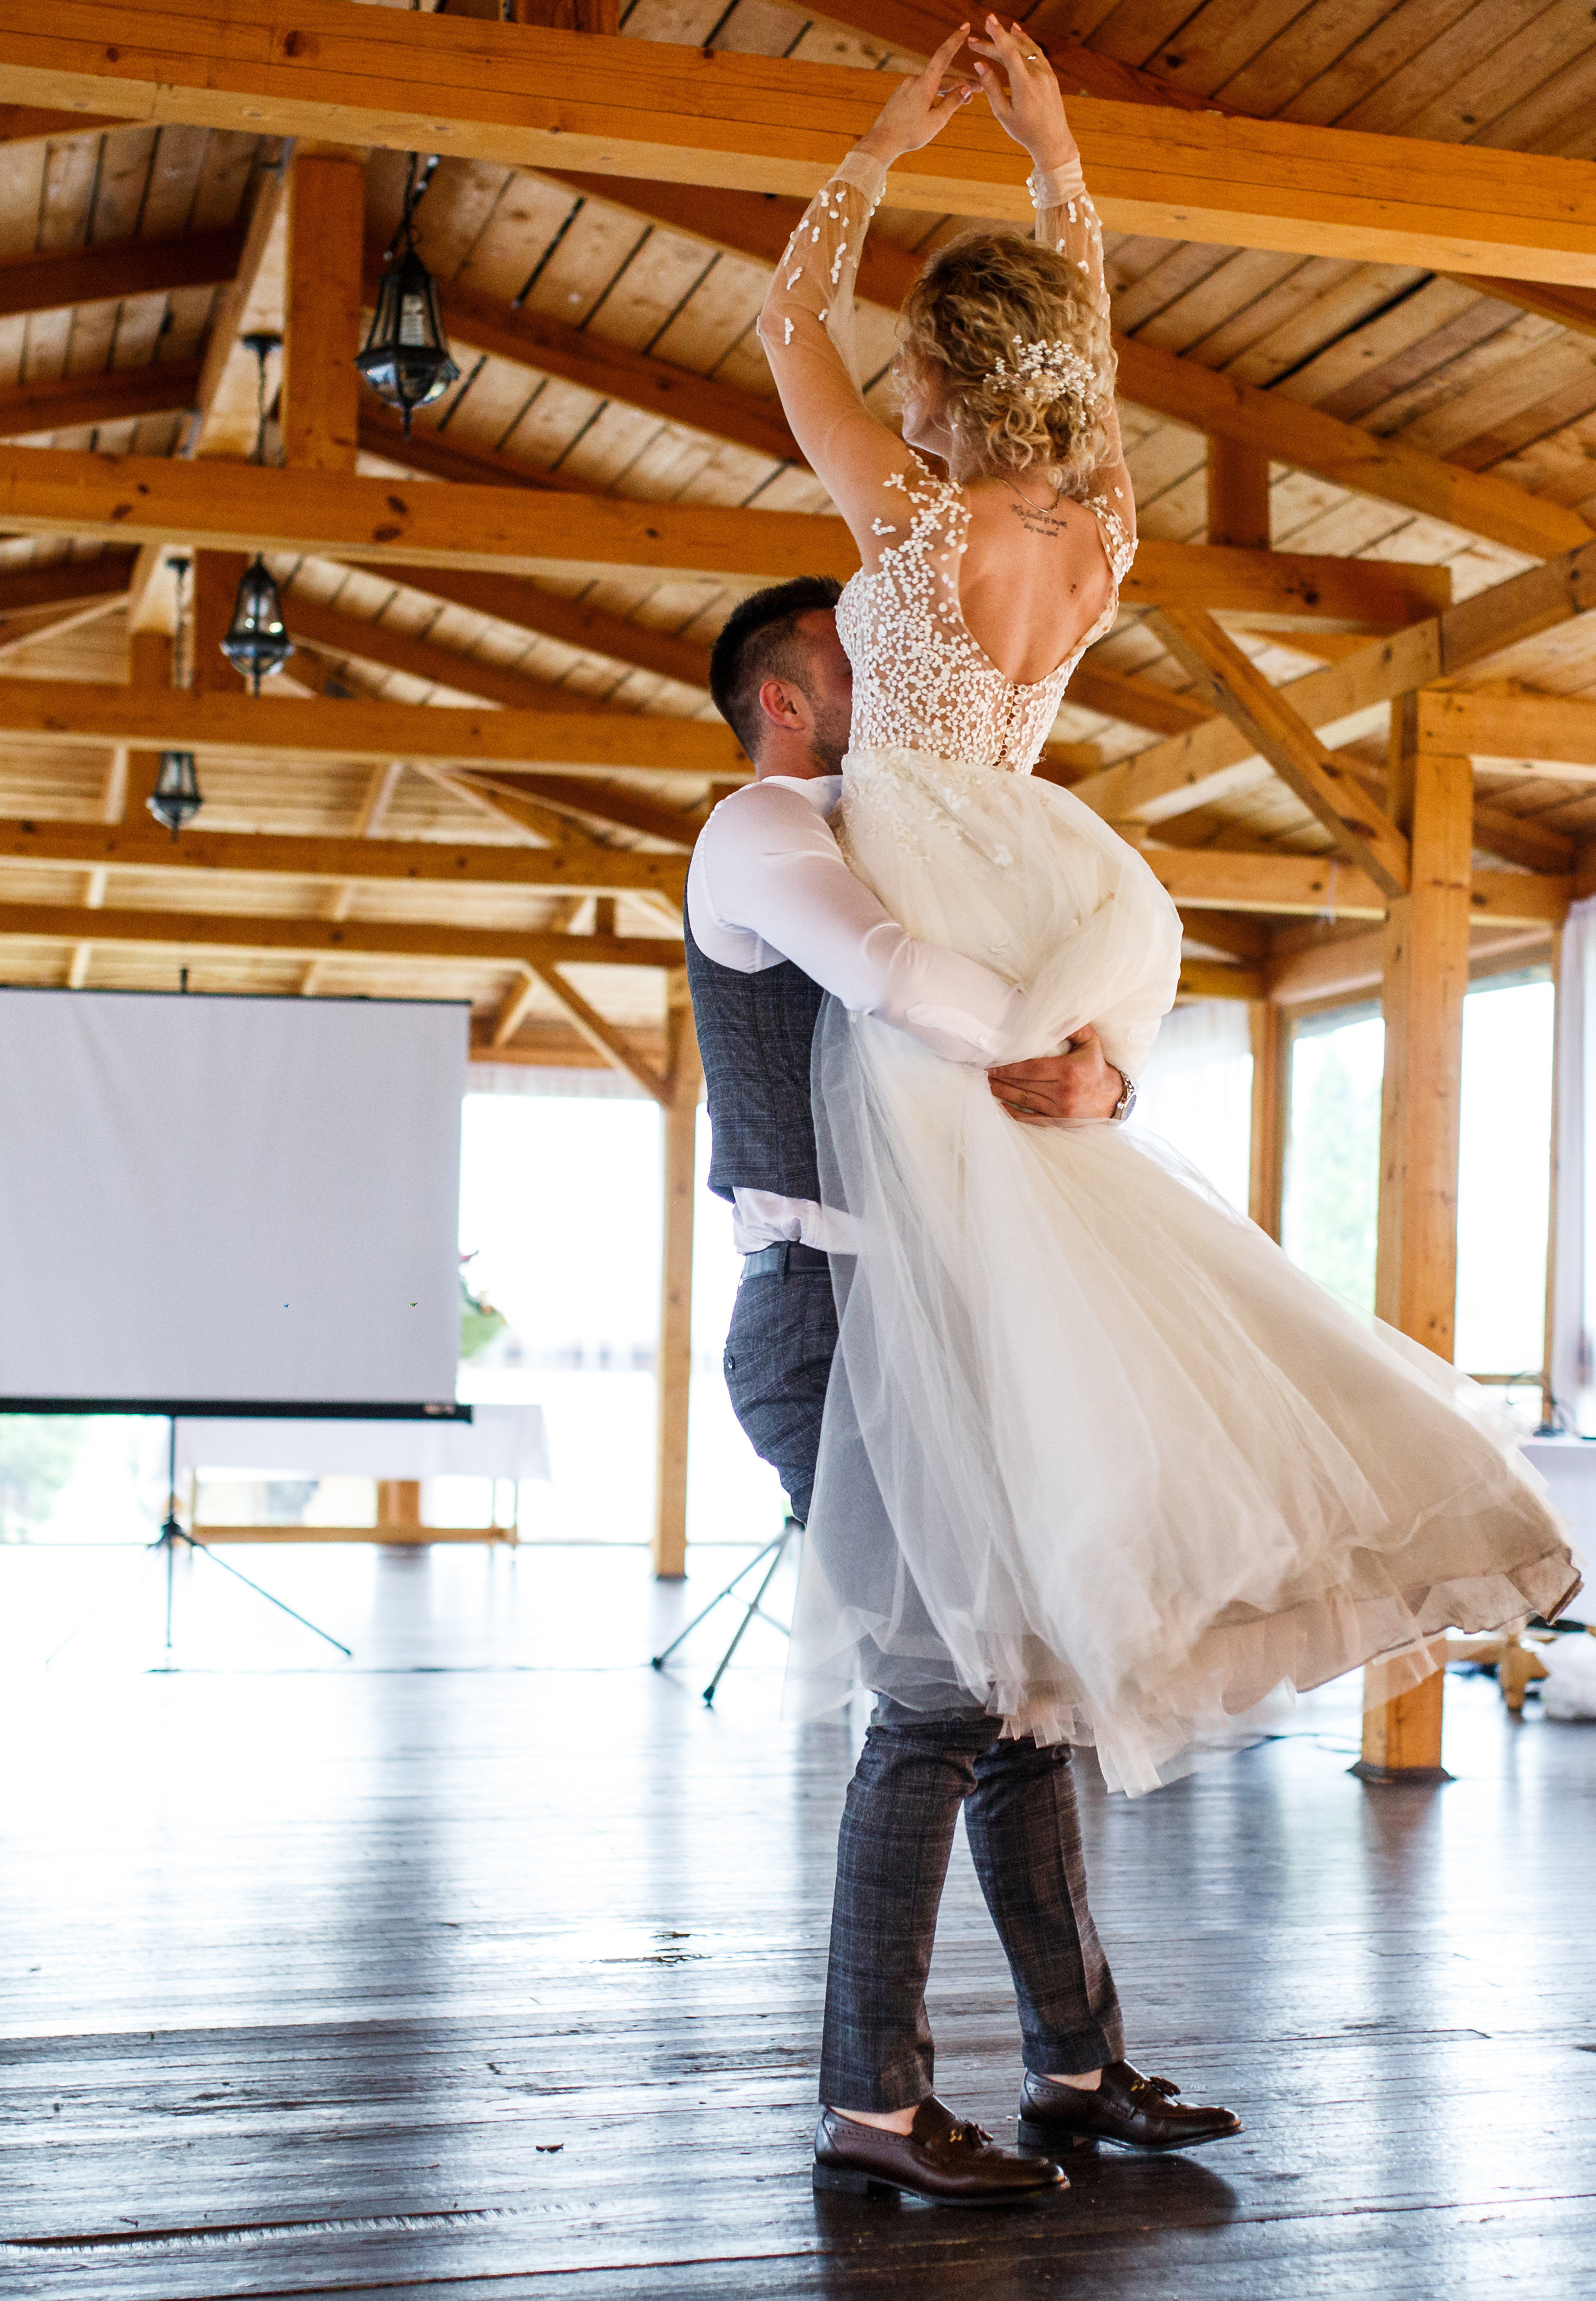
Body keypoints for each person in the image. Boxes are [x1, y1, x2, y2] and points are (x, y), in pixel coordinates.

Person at [705, 14, 1577, 2203]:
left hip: (961, 1021)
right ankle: (967, 2069)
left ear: (935, 392)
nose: (892, 406)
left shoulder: (899, 536)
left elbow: (778, 302)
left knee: (989, 1670)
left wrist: (900, 131)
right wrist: (1060, 152)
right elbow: (1078, 333)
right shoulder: (1087, 532)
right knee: (984, 1666)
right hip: (1034, 925)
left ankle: (1012, 2067)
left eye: (916, 383)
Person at [688, 577, 1245, 2205]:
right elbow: (891, 978)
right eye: (880, 666)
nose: (924, 689)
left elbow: (1077, 1019)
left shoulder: (916, 834)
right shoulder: (761, 831)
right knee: (939, 1695)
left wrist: (1111, 1071)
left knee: (1023, 1692)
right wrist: (1043, 1028)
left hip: (955, 1308)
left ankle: (1075, 2067)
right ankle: (871, 2095)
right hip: (824, 1316)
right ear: (791, 699)